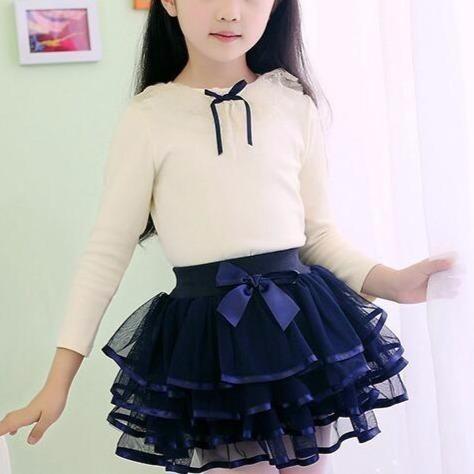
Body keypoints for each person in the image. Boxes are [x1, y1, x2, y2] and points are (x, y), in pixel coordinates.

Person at [0, 1, 456, 473]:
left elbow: (317, 238)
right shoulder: (150, 117)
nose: (231, 12)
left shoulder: (292, 103)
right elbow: (106, 254)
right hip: (211, 347)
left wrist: (394, 282)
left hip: (296, 335)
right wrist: (57, 384)